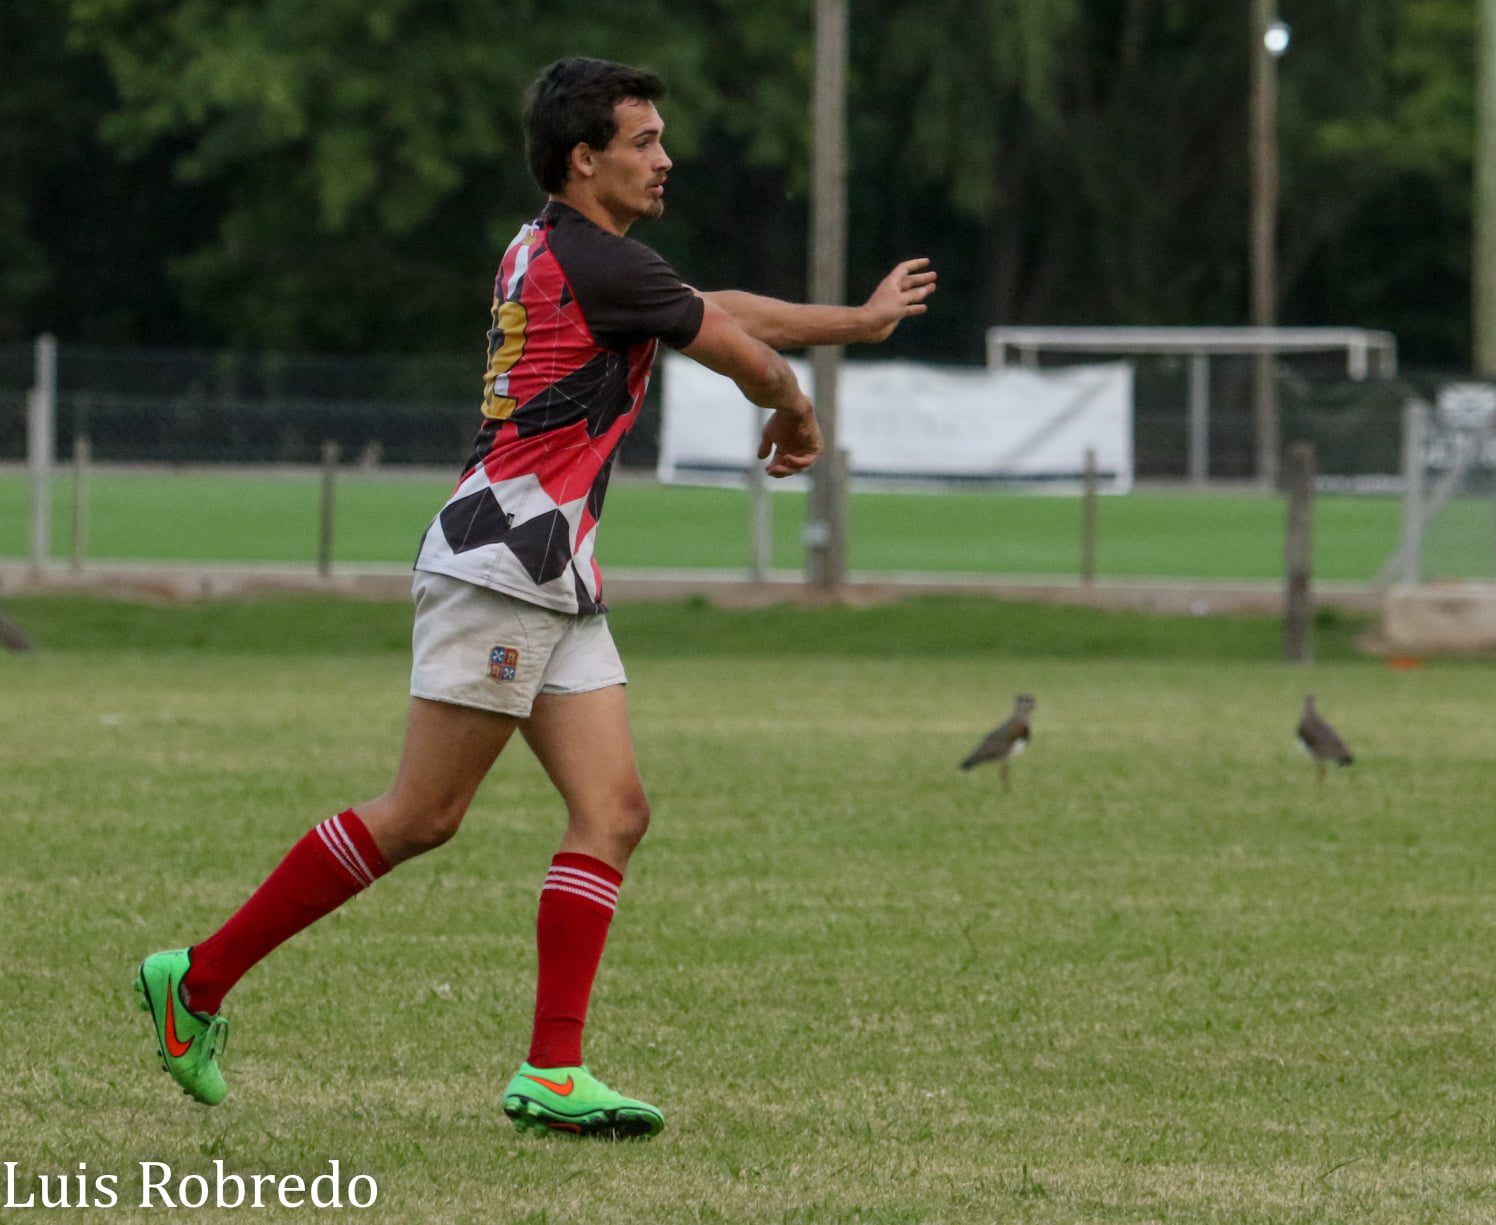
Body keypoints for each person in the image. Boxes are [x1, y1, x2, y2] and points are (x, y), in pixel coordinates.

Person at [134, 55, 935, 1139]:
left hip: (550, 571)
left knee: (614, 812)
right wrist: (794, 410)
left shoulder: (560, 249)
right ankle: (196, 981)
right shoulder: (599, 262)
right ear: (583, 158)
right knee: (422, 813)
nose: (665, 158)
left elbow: (713, 310)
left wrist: (857, 324)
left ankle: (553, 1070)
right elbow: (743, 356)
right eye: (644, 141)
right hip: (504, 561)